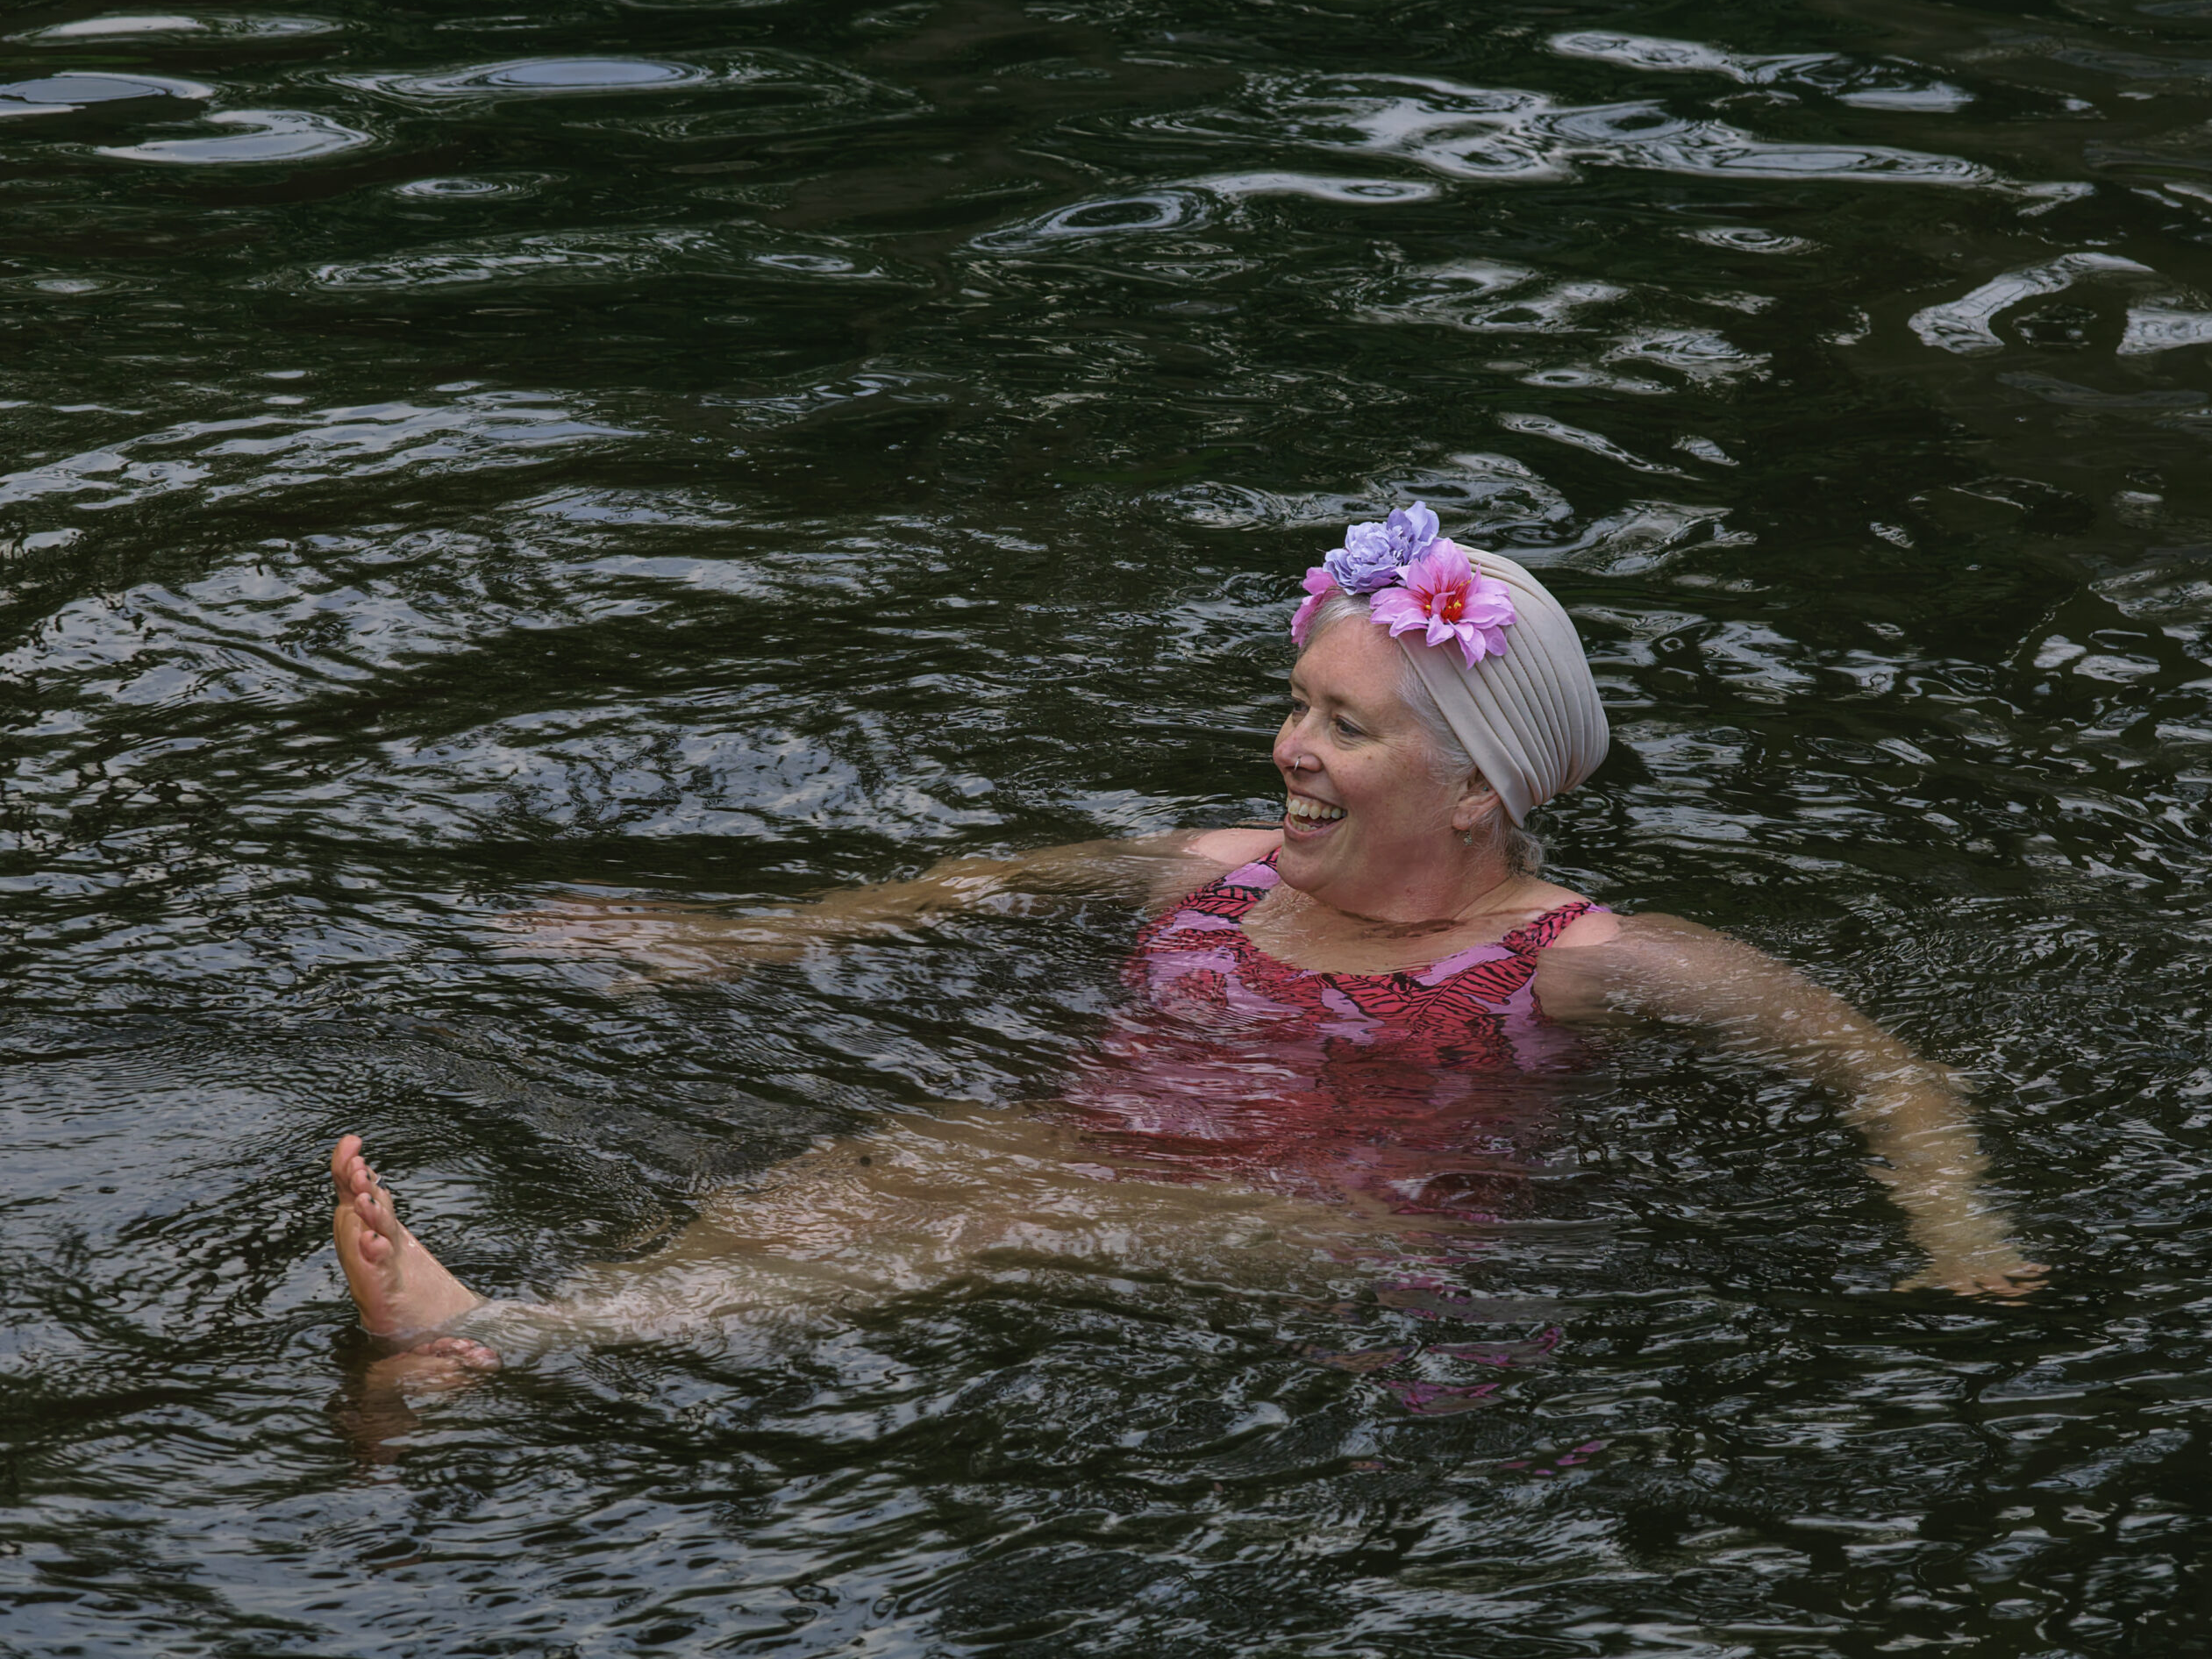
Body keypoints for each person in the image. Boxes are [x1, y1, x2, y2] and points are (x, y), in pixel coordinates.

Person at [331, 506, 2043, 1392]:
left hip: (1341, 1230)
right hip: (1112, 1151)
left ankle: (510, 1337)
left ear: (1468, 790)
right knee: (881, 1161)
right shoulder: (1221, 871)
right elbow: (983, 881)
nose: (1290, 748)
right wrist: (734, 939)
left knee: (1002, 1201)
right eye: (1298, 703)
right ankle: (511, 1344)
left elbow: (1872, 1062)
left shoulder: (1575, 957)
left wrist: (1952, 1227)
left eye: (1347, 728)